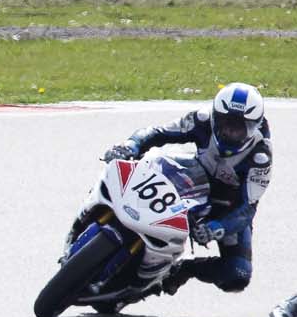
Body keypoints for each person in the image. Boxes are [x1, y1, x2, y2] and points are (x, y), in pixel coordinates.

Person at [91, 83, 271, 296]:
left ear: (253, 126)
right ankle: (100, 209)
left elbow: (247, 209)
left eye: (239, 127)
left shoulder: (260, 157)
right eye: (225, 123)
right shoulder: (201, 120)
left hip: (224, 206)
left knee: (237, 275)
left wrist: (217, 227)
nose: (231, 132)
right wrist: (130, 145)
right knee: (140, 167)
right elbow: (158, 133)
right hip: (192, 176)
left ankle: (180, 271)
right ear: (215, 117)